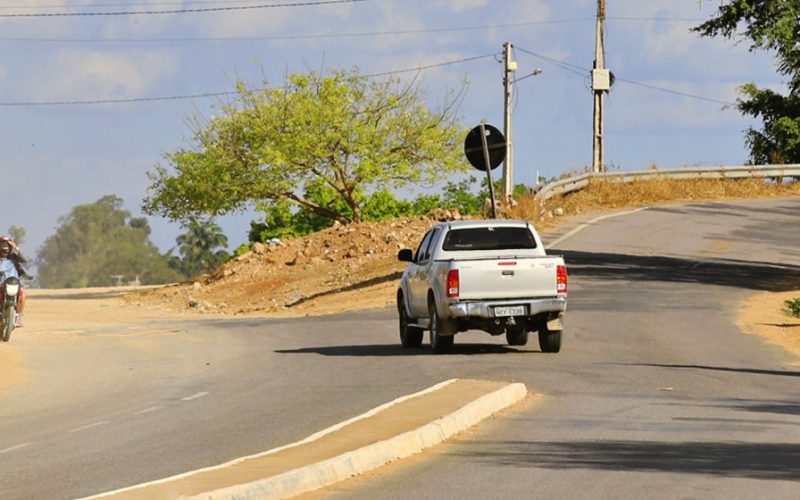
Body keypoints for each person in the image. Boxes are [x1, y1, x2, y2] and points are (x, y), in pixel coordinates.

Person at [0, 237, 25, 326]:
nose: (5, 249)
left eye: (7, 246)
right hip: (0, 284)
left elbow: (24, 260)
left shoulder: (14, 257)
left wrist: (16, 248)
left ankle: (18, 317)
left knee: (22, 294)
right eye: (2, 245)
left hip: (13, 282)